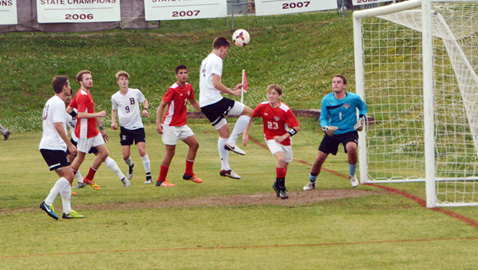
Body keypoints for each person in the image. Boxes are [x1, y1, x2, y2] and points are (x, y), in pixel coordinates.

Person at [199, 36, 253, 179]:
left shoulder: (205, 60)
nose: (226, 54)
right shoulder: (217, 60)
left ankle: (225, 169)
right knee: (249, 112)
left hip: (205, 104)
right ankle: (232, 142)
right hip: (214, 101)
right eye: (226, 51)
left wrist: (229, 88)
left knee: (224, 132)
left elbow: (211, 85)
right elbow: (216, 84)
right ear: (222, 48)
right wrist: (233, 92)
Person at [303, 74, 367, 190]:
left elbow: (363, 107)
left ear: (344, 85)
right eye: (333, 82)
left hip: (349, 130)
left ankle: (352, 175)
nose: (335, 84)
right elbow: (323, 117)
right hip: (333, 132)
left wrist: (361, 118)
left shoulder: (353, 98)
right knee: (319, 158)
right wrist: (325, 127)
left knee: (351, 148)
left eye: (338, 82)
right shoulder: (327, 99)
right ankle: (311, 182)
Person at [39, 76, 85, 220]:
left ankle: (67, 211)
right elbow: (58, 125)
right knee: (69, 176)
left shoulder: (50, 101)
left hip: (48, 145)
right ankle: (47, 202)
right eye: (68, 84)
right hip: (52, 146)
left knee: (66, 178)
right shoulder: (58, 103)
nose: (70, 87)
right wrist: (70, 144)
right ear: (64, 87)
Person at [242, 84, 300, 199]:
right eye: (269, 93)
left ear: (279, 96)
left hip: (285, 139)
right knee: (281, 159)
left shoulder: (285, 109)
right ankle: (282, 189)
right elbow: (250, 116)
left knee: (285, 163)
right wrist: (245, 133)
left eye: (274, 93)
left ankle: (277, 184)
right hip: (270, 137)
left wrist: (284, 136)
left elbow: (296, 127)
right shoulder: (262, 106)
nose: (271, 96)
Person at [156, 65, 203, 187]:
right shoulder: (172, 89)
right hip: (170, 125)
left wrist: (205, 111)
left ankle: (188, 173)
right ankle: (161, 180)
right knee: (170, 152)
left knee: (194, 144)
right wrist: (158, 122)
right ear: (176, 75)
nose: (183, 75)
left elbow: (193, 101)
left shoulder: (188, 87)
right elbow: (162, 105)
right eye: (181, 73)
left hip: (182, 125)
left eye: (185, 73)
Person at [66, 70, 111, 190]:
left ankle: (89, 178)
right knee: (80, 158)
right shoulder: (82, 96)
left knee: (104, 153)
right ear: (80, 82)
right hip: (85, 132)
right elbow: (81, 114)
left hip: (92, 130)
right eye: (87, 79)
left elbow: (69, 109)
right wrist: (98, 114)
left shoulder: (84, 94)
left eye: (91, 78)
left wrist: (100, 127)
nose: (90, 81)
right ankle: (66, 184)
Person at [66, 106, 130, 189]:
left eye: (69, 96)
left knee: (103, 155)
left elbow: (92, 115)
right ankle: (80, 181)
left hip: (88, 136)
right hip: (77, 138)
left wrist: (101, 129)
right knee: (69, 161)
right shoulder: (61, 111)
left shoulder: (78, 105)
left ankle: (122, 177)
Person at [111, 71, 153, 184]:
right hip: (125, 128)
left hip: (138, 126)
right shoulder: (115, 97)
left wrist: (145, 109)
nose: (124, 81)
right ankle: (131, 165)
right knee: (125, 156)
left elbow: (144, 100)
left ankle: (149, 177)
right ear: (118, 82)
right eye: (121, 79)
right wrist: (113, 122)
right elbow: (114, 110)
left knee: (141, 150)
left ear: (128, 81)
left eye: (125, 79)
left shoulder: (135, 92)